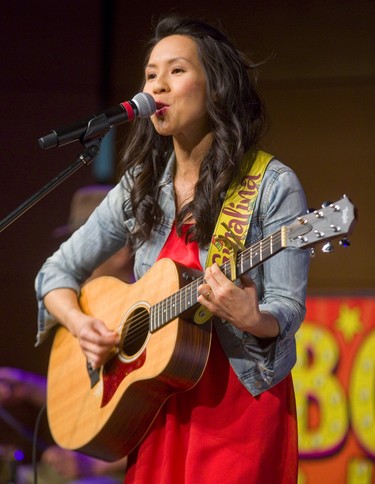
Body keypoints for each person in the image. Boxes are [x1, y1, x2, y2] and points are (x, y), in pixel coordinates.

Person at [35, 15, 310, 483]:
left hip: (238, 414)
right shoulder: (139, 188)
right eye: (149, 74)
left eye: (176, 70)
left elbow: (286, 307)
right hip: (154, 408)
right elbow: (55, 274)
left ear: (216, 86)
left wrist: (252, 317)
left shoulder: (270, 184)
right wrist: (84, 326)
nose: (157, 85)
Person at [1, 186, 131, 483]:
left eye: (85, 241)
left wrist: (95, 467)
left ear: (122, 248)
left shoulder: (146, 307)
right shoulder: (82, 307)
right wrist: (24, 386)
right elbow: (94, 389)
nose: (72, 254)